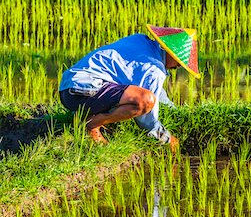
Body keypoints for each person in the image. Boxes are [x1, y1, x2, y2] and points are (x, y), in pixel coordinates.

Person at [59, 25, 200, 151]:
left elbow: (156, 91)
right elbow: (147, 120)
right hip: (82, 92)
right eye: (180, 63)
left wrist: (176, 111)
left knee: (143, 96)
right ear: (172, 55)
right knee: (145, 102)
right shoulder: (154, 69)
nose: (177, 67)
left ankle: (91, 116)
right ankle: (92, 124)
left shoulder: (140, 40)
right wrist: (167, 139)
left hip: (68, 88)